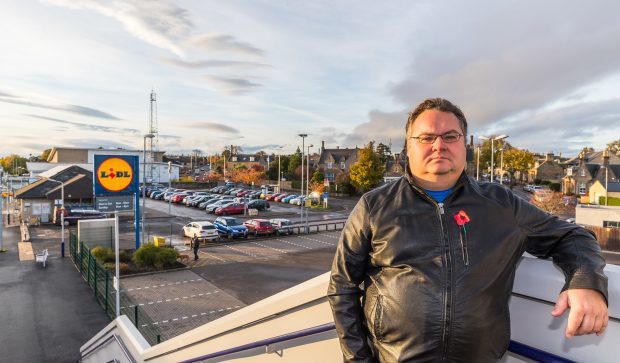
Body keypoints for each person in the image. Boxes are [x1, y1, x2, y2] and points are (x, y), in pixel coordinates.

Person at [327, 98, 608, 362]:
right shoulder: (374, 207)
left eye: (451, 136)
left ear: (465, 146)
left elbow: (573, 236)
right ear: (407, 147)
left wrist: (585, 282)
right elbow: (342, 286)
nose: (439, 145)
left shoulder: (502, 205)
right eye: (426, 137)